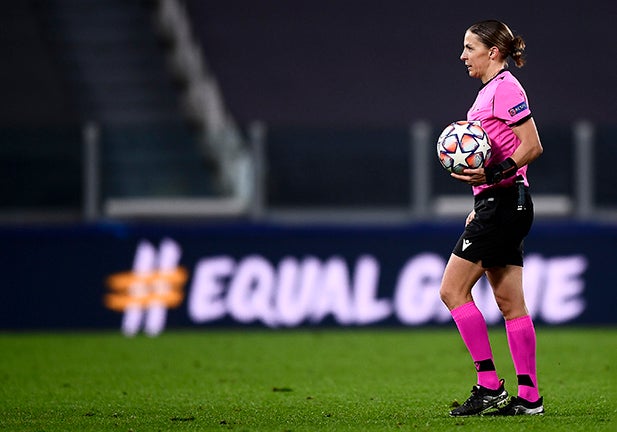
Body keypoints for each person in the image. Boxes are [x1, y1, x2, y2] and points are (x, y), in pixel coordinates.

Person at [439, 20, 544, 416]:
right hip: (500, 204)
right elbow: (500, 151)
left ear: (493, 52)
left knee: (452, 291)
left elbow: (531, 145)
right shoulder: (488, 94)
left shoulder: (505, 89)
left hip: (505, 202)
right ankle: (529, 398)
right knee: (510, 303)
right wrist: (480, 200)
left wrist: (495, 179)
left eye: (469, 47)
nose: (463, 56)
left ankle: (488, 386)